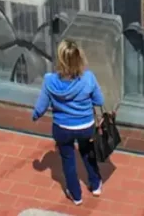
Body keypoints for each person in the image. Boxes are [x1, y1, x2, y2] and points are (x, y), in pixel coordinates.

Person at [32, 39, 105, 206]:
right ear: (79, 58)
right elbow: (99, 100)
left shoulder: (49, 81)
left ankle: (76, 195)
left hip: (62, 128)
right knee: (88, 153)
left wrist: (35, 116)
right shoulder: (88, 78)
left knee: (68, 160)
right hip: (86, 126)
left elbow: (41, 106)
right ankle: (95, 185)